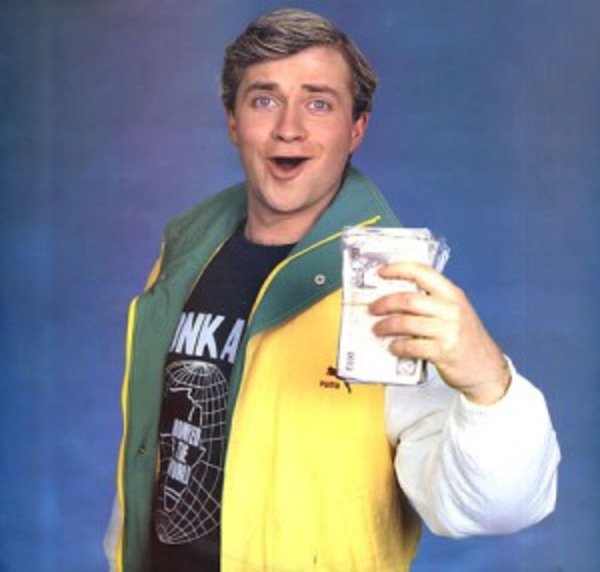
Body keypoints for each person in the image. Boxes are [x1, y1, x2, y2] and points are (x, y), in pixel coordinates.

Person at [105, 8, 560, 572]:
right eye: (264, 99)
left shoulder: (390, 290)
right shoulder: (184, 257)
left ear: (356, 128)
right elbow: (157, 454)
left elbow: (494, 509)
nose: (289, 128)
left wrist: (488, 381)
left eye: (318, 103)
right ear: (233, 121)